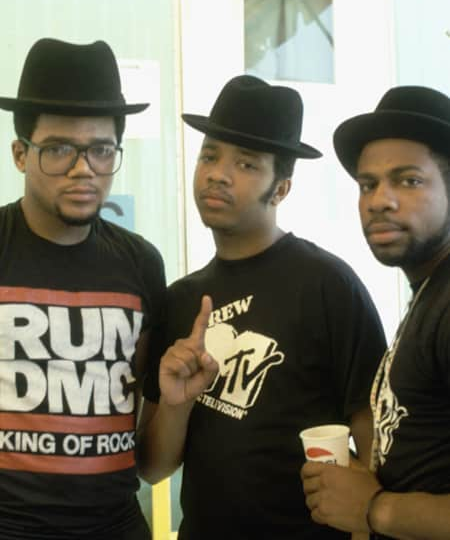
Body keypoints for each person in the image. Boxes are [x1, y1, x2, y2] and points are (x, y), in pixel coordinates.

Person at [137, 75, 387, 539]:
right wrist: (178, 404)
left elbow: (374, 431)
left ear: (281, 189)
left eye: (246, 164)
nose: (218, 173)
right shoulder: (181, 300)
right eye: (209, 155)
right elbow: (154, 468)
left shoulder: (327, 285)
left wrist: (372, 520)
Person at [0, 38, 166, 540]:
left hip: (115, 526)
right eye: (58, 149)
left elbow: (150, 451)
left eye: (100, 150)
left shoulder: (141, 262)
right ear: (20, 154)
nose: (82, 169)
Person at [301, 85, 450, 540]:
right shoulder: (430, 293)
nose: (379, 200)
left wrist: (374, 509)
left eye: (408, 180)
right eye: (368, 184)